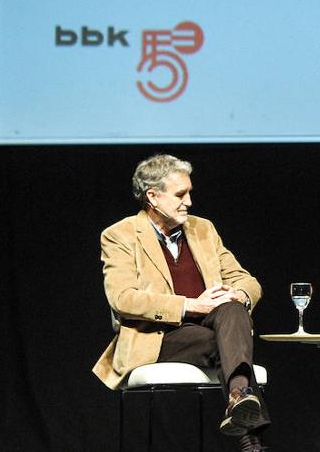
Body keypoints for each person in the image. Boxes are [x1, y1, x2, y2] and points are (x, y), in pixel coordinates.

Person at [93, 154, 271, 451]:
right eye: (179, 194)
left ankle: (239, 398)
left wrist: (238, 294)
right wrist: (190, 305)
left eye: (189, 193)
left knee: (233, 310)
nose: (188, 201)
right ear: (153, 196)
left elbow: (247, 280)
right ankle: (251, 437)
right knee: (227, 341)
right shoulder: (120, 235)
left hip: (211, 327)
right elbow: (123, 298)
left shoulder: (203, 229)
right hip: (156, 336)